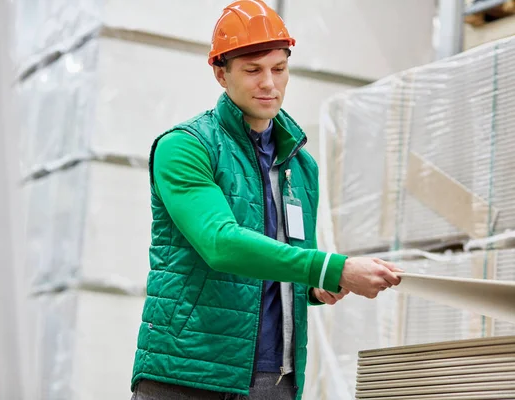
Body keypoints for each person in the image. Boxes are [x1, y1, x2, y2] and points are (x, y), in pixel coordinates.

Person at [130, 1, 402, 399]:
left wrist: (314, 288)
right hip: (189, 373)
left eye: (279, 68)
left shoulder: (300, 164)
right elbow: (220, 244)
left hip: (277, 378)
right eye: (253, 70)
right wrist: (331, 267)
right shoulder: (186, 147)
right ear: (221, 73)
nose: (269, 84)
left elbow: (286, 258)